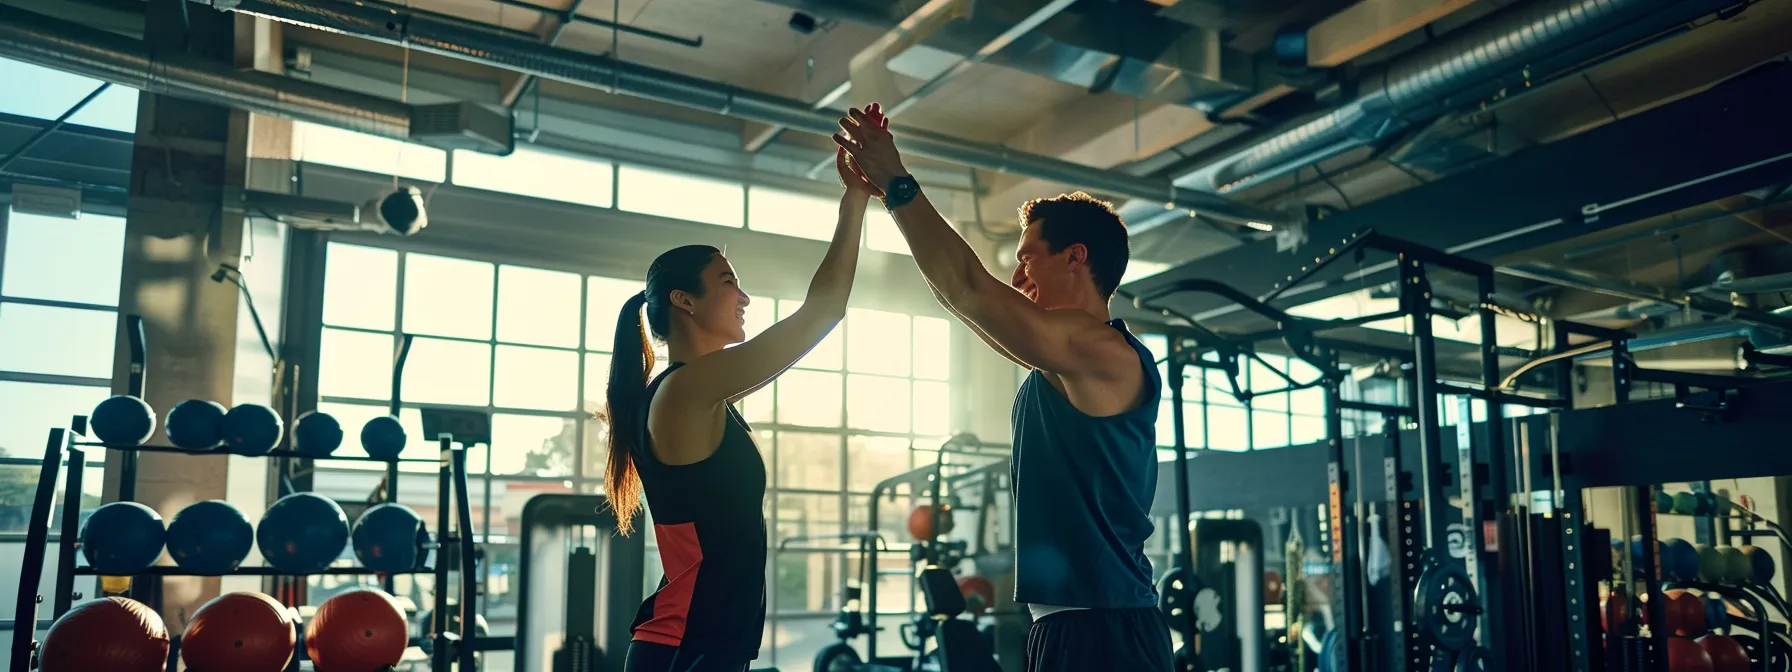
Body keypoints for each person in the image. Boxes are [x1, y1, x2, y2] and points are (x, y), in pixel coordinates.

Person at [833, 103, 1174, 672]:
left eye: (1026, 259)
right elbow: (957, 294)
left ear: (1076, 258)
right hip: (1068, 626)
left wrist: (895, 180)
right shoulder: (1055, 361)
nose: (1017, 277)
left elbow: (968, 287)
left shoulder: (1104, 352)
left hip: (1106, 629)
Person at [605, 147, 877, 672]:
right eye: (729, 281)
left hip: (704, 647)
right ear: (684, 301)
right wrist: (855, 198)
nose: (745, 298)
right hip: (686, 649)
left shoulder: (701, 395)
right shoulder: (686, 391)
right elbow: (824, 311)